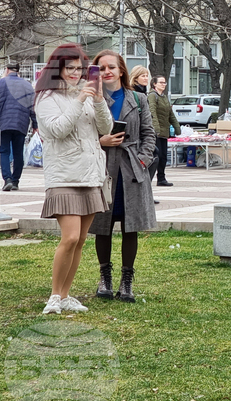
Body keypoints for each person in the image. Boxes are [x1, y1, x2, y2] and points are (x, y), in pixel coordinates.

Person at [34, 44, 111, 315]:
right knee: (70, 237)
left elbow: (106, 128)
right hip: (64, 175)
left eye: (80, 69)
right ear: (58, 69)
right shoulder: (46, 98)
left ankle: (66, 295)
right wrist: (79, 101)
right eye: (70, 68)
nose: (76, 74)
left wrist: (98, 99)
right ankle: (54, 296)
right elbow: (57, 129)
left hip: (90, 174)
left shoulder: (88, 94)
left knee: (80, 241)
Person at [89, 50, 157, 303]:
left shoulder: (138, 99)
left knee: (131, 227)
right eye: (101, 68)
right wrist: (101, 142)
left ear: (121, 70)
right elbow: (82, 135)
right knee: (101, 227)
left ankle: (126, 281)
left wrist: (143, 159)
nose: (106, 71)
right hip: (102, 168)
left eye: (111, 67)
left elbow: (150, 133)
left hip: (132, 170)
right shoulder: (91, 99)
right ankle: (104, 277)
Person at [0, 62, 38, 191]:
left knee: (4, 151)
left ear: (7, 70)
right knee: (18, 153)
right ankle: (15, 181)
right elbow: (33, 106)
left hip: (3, 123)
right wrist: (35, 124)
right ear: (18, 71)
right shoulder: (27, 85)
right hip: (21, 123)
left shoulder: (0, 83)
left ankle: (7, 179)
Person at [148, 75, 180, 187]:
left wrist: (177, 127)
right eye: (161, 82)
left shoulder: (164, 97)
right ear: (154, 84)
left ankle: (161, 178)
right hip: (156, 132)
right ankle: (150, 178)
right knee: (157, 156)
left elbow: (170, 113)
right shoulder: (152, 96)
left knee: (163, 156)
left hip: (164, 132)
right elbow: (152, 112)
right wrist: (156, 128)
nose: (163, 84)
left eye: (164, 83)